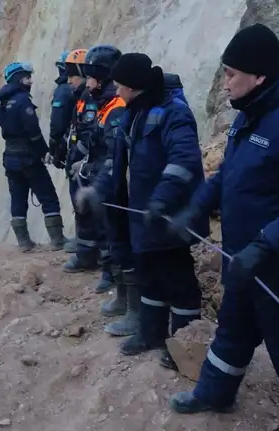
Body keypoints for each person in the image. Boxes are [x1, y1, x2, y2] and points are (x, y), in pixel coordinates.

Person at [167, 24, 279, 431]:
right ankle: (216, 392)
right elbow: (229, 173)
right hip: (245, 258)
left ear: (259, 75)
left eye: (231, 74)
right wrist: (195, 207)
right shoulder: (252, 110)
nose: (225, 84)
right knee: (234, 327)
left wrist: (266, 244)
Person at [79, 53, 208, 358]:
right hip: (141, 215)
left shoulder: (173, 113)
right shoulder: (132, 114)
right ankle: (151, 334)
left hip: (170, 217)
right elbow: (115, 162)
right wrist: (97, 191)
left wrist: (162, 198)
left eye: (120, 85)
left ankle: (184, 346)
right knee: (148, 276)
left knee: (178, 280)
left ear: (133, 86)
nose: (116, 90)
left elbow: (184, 160)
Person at [63, 45, 125, 295]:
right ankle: (104, 267)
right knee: (100, 222)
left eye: (90, 77)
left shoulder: (115, 107)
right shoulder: (105, 103)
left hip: (108, 176)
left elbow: (113, 152)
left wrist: (93, 170)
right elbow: (95, 139)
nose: (86, 83)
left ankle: (114, 276)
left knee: (109, 226)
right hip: (98, 171)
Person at [0, 61, 66, 252]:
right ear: (19, 78)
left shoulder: (3, 103)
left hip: (10, 157)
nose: (31, 81)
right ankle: (58, 240)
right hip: (28, 158)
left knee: (18, 198)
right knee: (48, 196)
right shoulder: (22, 101)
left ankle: (24, 243)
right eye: (27, 77)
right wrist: (44, 152)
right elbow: (33, 132)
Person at [62, 48, 89, 255]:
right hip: (79, 159)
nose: (69, 81)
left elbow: (91, 134)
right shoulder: (80, 98)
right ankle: (84, 244)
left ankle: (89, 250)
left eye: (73, 75)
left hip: (87, 162)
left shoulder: (90, 100)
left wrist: (81, 156)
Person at [48, 51, 76, 170]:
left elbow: (57, 123)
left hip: (70, 144)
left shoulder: (63, 90)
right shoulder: (85, 87)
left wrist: (54, 149)